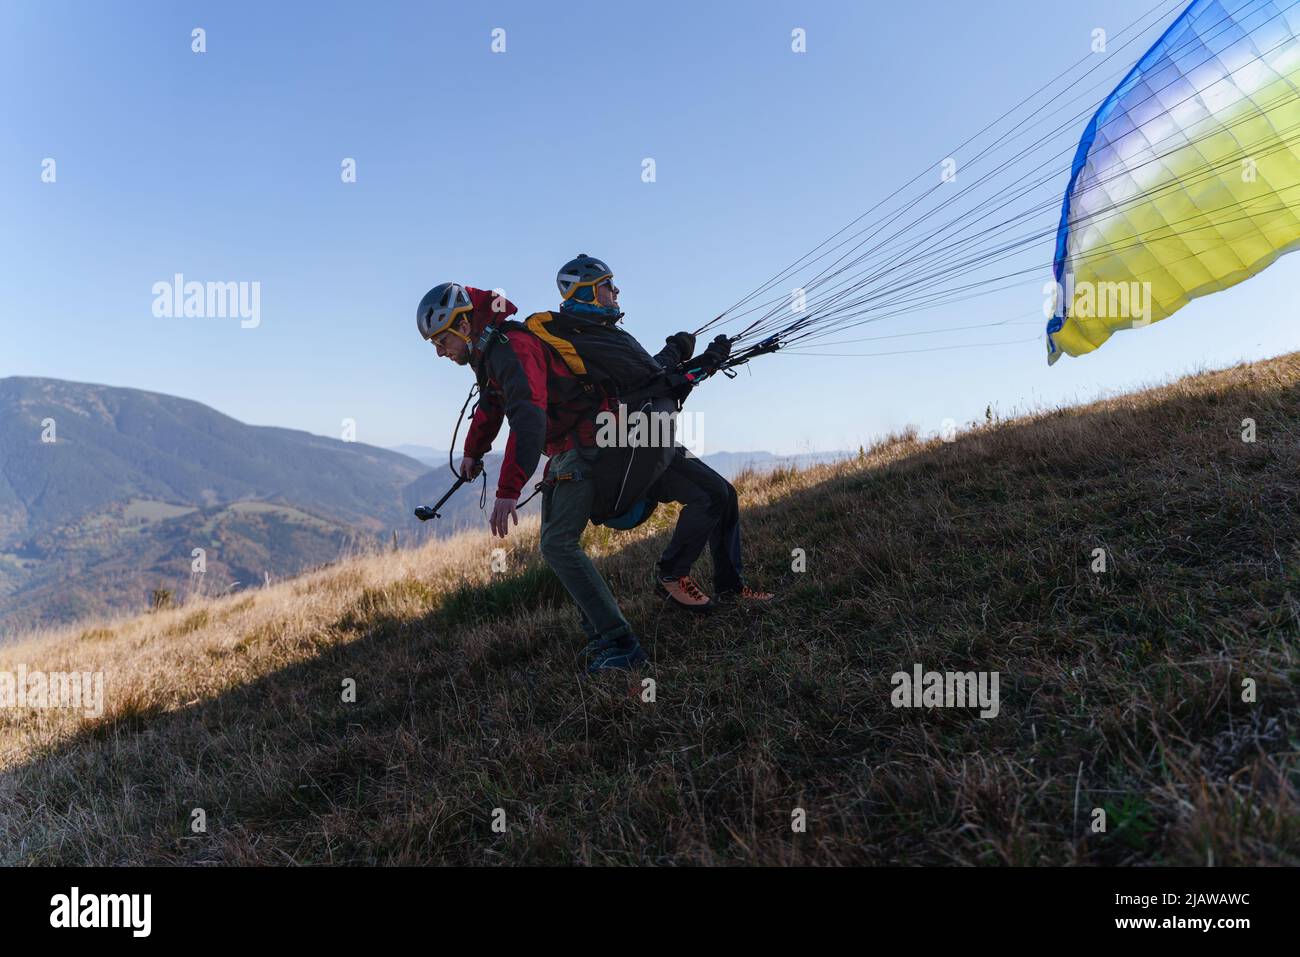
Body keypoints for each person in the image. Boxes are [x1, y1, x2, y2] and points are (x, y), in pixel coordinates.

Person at [416, 280, 647, 673]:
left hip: (584, 446)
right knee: (555, 545)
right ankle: (601, 636)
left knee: (559, 545)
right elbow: (492, 402)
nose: (439, 352)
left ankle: (622, 643)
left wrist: (509, 490)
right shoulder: (490, 354)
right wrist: (473, 451)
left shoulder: (512, 347)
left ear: (463, 326)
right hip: (562, 450)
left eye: (441, 340)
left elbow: (527, 417)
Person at [553, 255, 774, 612]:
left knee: (722, 494)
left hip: (643, 437)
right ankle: (672, 575)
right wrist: (708, 361)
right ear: (589, 293)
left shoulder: (599, 334)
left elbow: (647, 374)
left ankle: (730, 588)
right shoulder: (591, 338)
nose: (616, 290)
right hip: (630, 450)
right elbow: (658, 382)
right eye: (608, 285)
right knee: (713, 495)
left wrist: (679, 348)